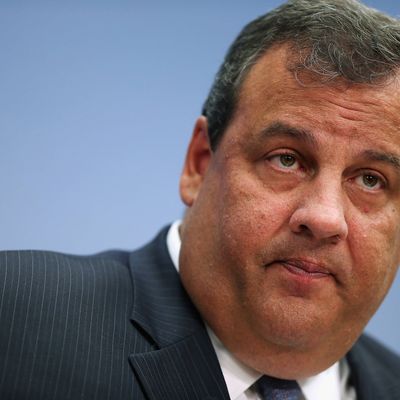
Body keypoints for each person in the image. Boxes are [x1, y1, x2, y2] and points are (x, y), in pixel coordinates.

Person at [1, 0, 400, 398]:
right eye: (287, 159)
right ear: (199, 163)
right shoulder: (15, 315)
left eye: (370, 180)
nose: (325, 217)